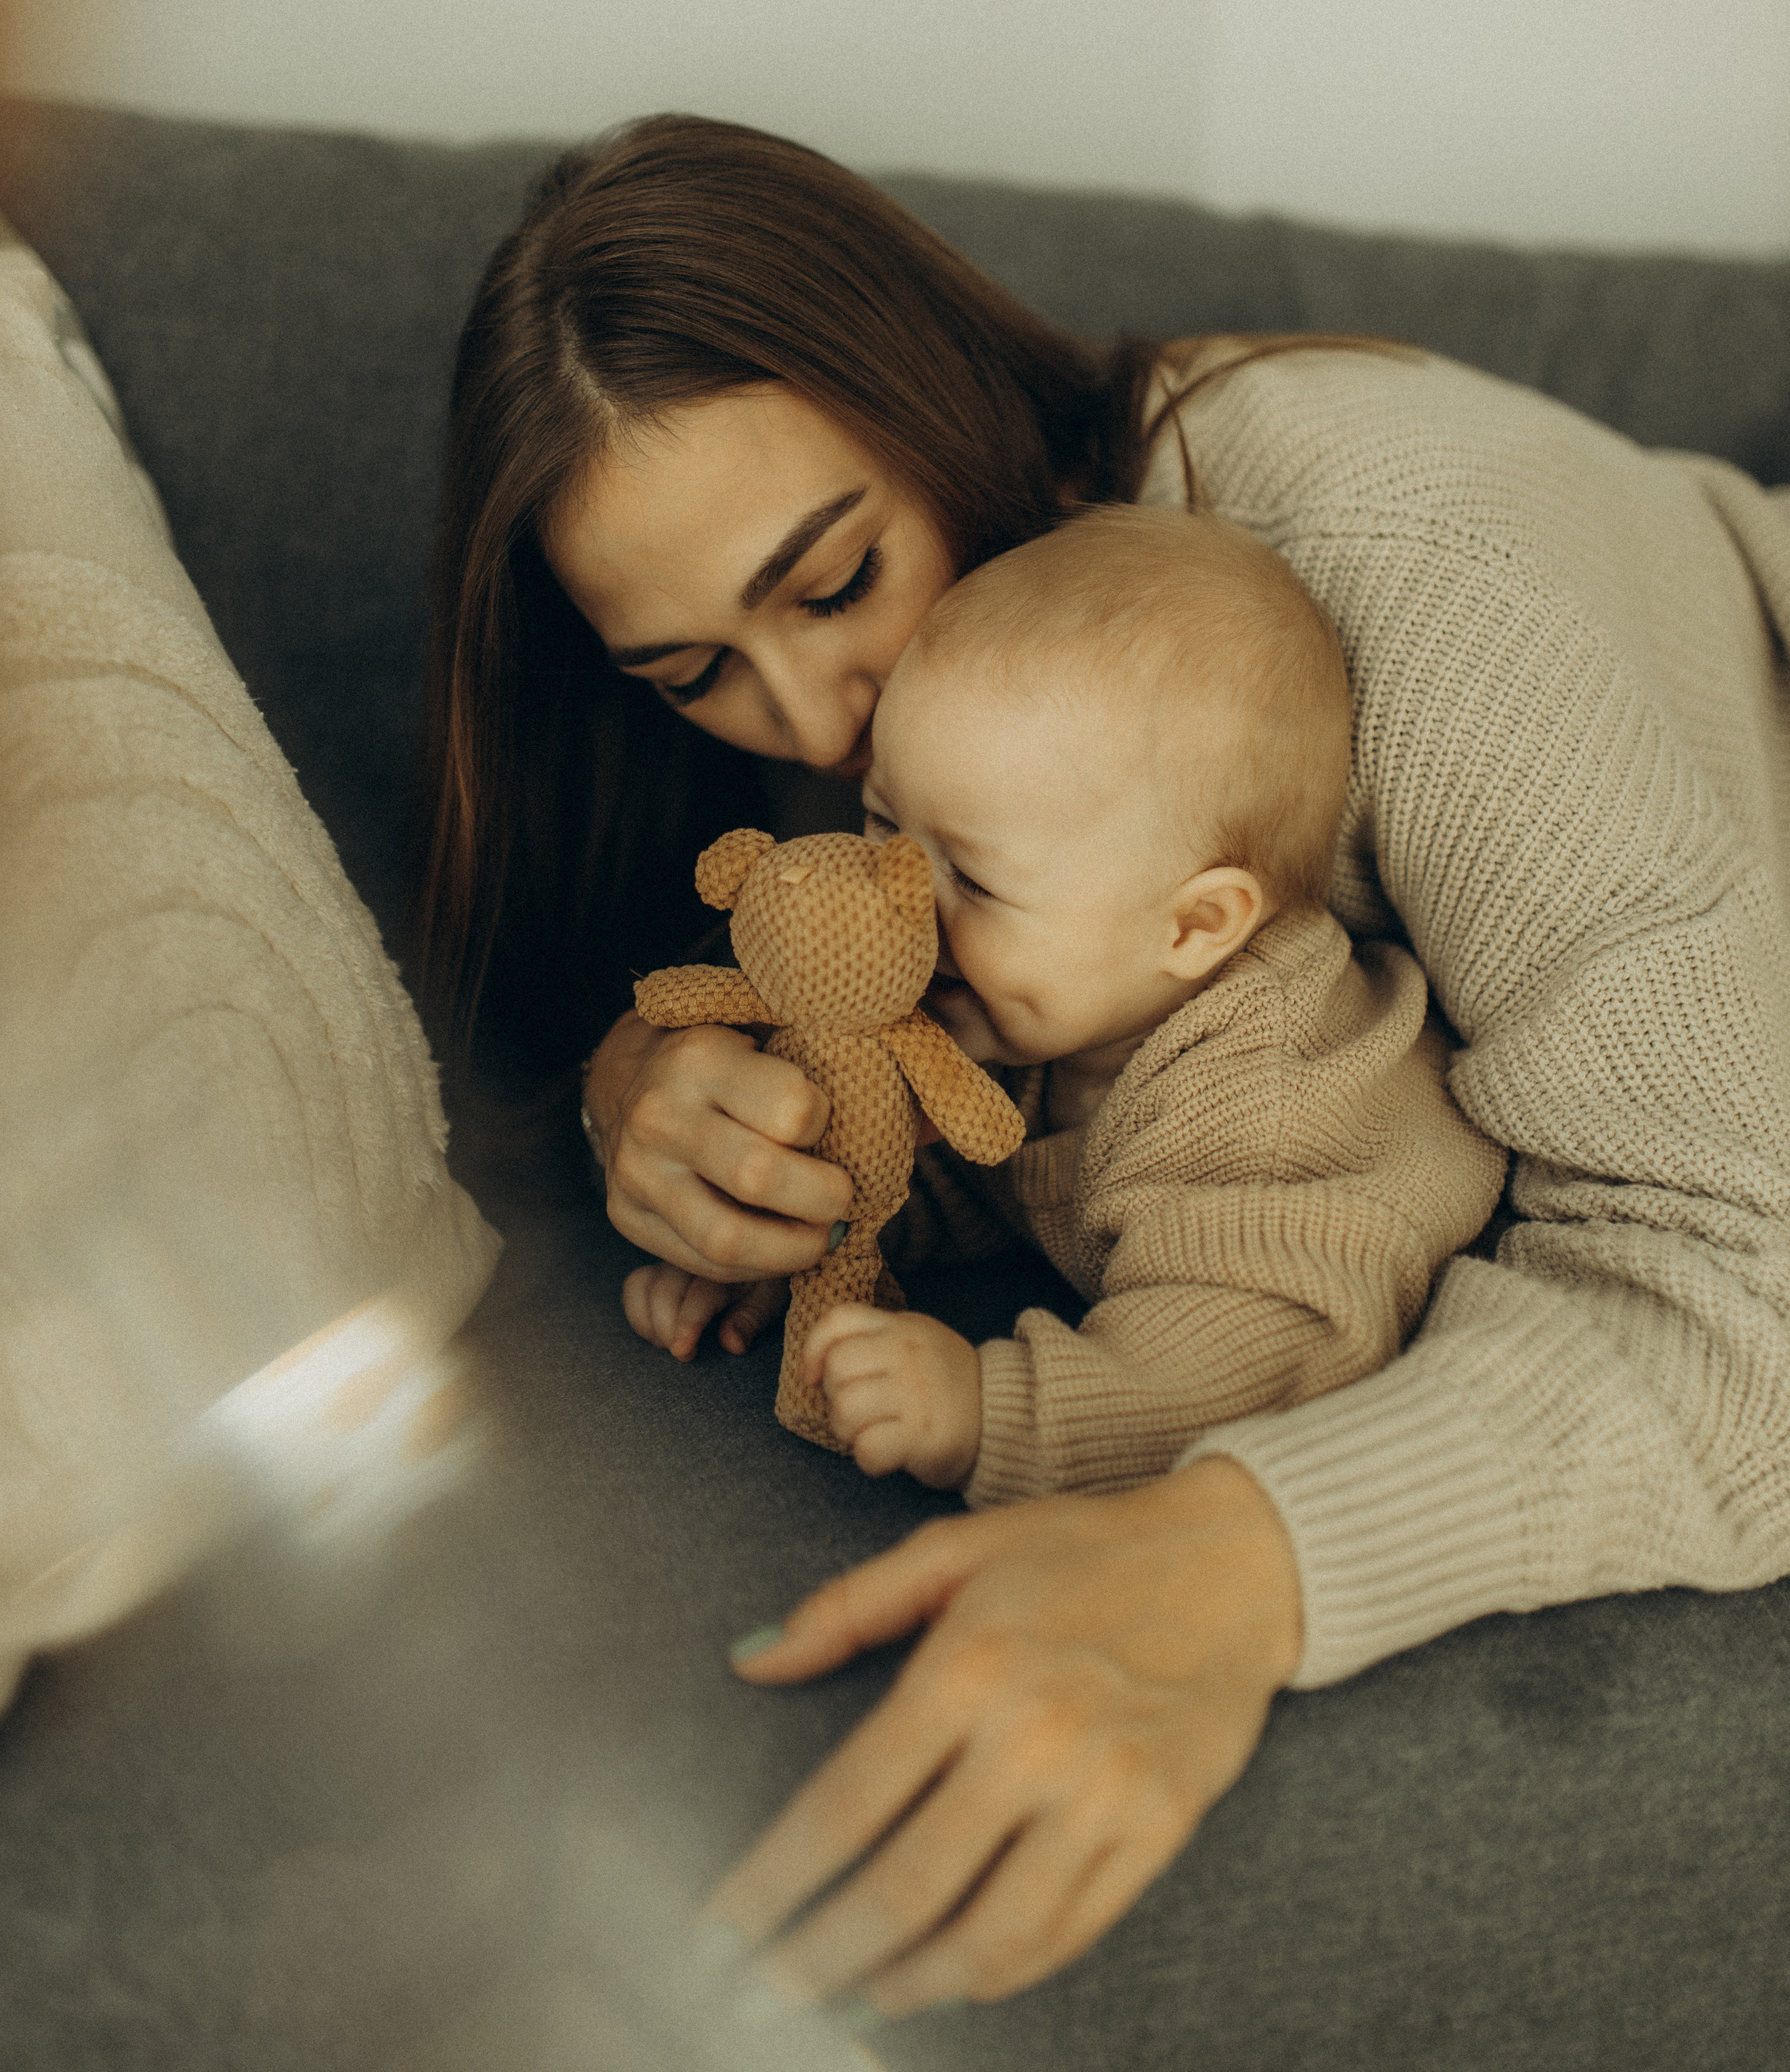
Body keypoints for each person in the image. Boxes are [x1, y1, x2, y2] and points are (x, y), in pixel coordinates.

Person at [419, 113, 1790, 2020]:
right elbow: (784, 944)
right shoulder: (859, 733)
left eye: (835, 583)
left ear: (940, 402)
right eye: (695, 678)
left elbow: (1754, 1285)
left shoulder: (1420, 573)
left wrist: (1235, 1561)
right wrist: (639, 1070)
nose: (819, 728)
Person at [622, 505, 1507, 1499]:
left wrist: (986, 1409)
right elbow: (973, 1168)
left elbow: (1249, 1364)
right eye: (882, 823)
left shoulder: (1268, 1109)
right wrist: (787, 1232)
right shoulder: (1055, 992)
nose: (903, 903)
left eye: (980, 883)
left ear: (1195, 927)